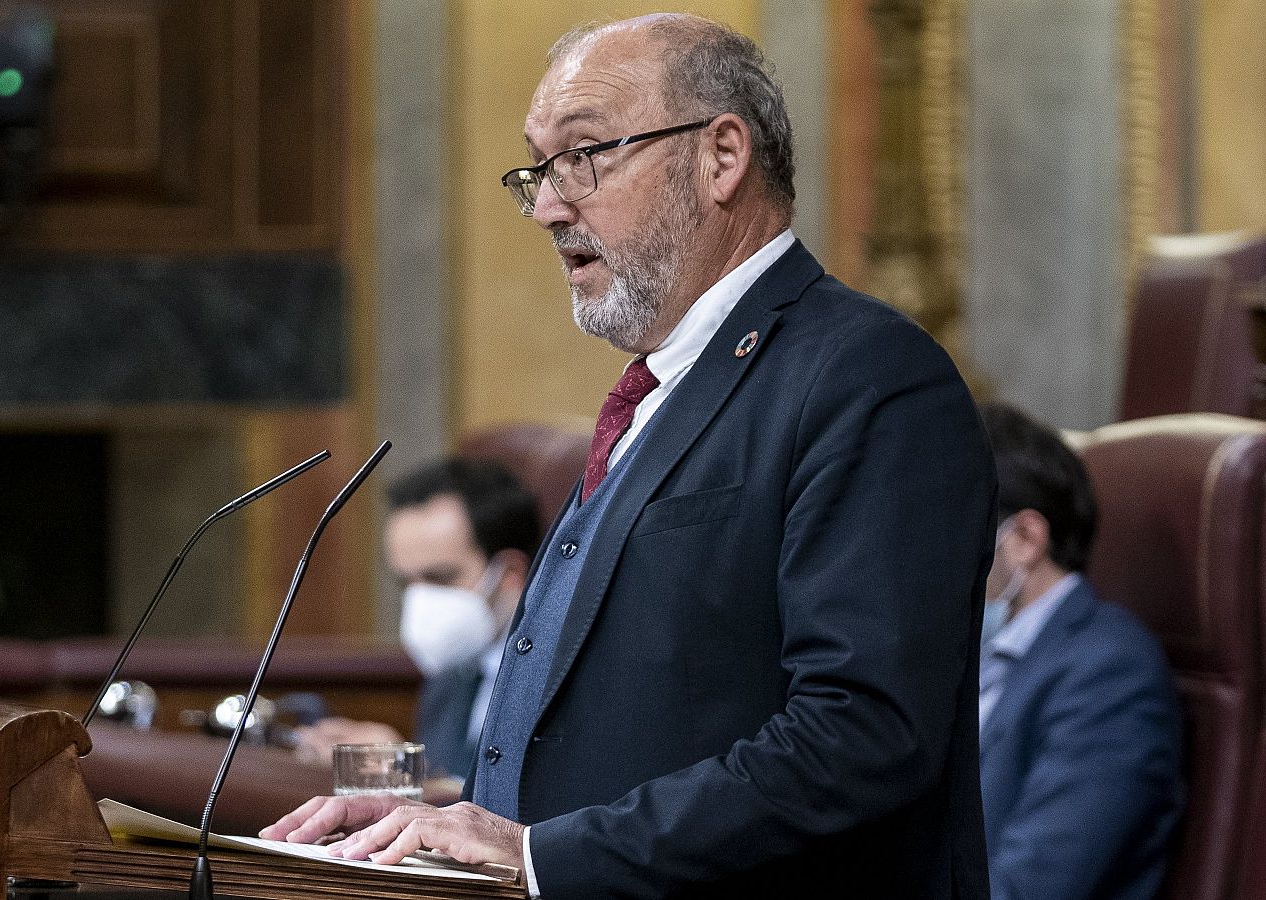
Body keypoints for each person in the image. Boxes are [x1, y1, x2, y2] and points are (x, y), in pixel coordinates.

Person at [264, 13, 995, 897]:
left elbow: (862, 736)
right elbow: (628, 728)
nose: (546, 205)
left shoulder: (868, 377)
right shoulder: (656, 391)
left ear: (721, 157)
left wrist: (540, 858)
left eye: (585, 156)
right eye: (538, 168)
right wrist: (432, 815)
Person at [977, 402, 1183, 900]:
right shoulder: (972, 653)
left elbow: (1028, 888)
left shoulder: (1110, 675)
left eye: (948, 531)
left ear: (1025, 538)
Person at [291, 457, 540, 789]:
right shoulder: (451, 673)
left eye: (439, 578)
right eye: (407, 582)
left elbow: (524, 815)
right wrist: (399, 765)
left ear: (509, 574)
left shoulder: (555, 678)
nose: (421, 600)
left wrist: (404, 768)